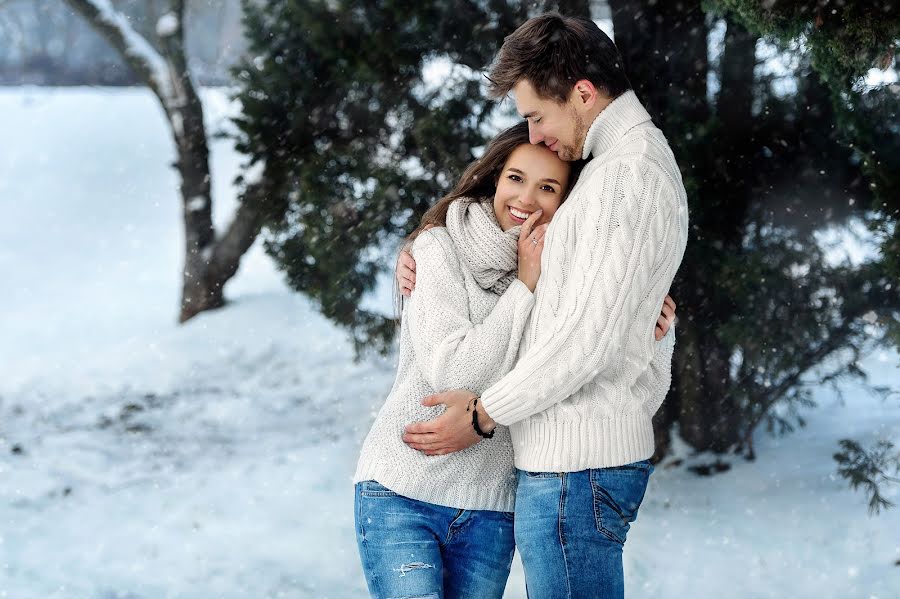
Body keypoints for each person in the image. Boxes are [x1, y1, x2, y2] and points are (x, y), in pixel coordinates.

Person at [398, 13, 689, 599]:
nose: (532, 137)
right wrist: (427, 246)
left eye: (536, 115)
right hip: (571, 470)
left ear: (583, 93)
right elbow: (586, 315)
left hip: (574, 471)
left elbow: (582, 341)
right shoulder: (613, 168)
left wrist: (484, 413)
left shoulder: (624, 175)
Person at [354, 122, 676, 599]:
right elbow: (454, 372)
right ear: (494, 179)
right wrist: (524, 285)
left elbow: (623, 389)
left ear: (568, 203)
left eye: (549, 187)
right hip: (402, 490)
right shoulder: (439, 246)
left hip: (492, 511)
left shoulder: (571, 282)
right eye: (516, 178)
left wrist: (653, 335)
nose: (526, 198)